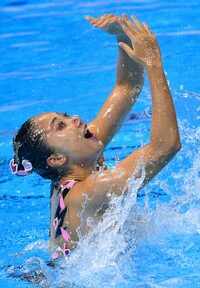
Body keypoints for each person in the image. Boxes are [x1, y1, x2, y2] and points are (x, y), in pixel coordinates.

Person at [10, 14, 181, 260]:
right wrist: (154, 64)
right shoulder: (87, 190)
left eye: (66, 116)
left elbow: (127, 88)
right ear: (56, 159)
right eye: (61, 126)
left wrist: (122, 38)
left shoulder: (75, 163)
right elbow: (165, 146)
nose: (76, 119)